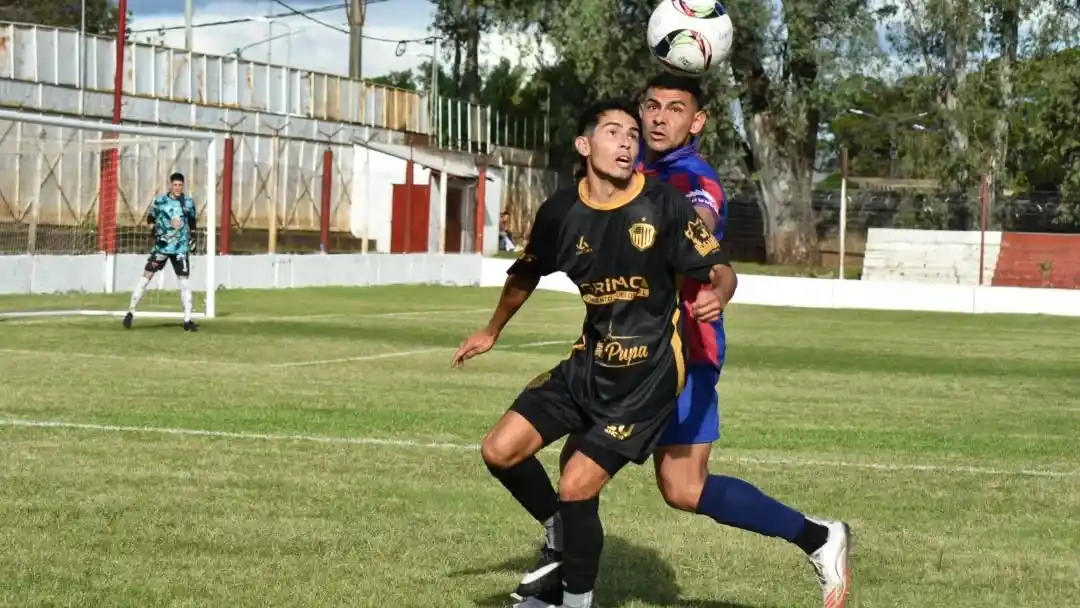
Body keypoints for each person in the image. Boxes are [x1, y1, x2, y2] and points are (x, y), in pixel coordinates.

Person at [511, 74, 852, 608]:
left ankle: (819, 536)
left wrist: (711, 273)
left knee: (682, 488)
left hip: (685, 354)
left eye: (675, 109)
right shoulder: (629, 164)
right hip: (616, 359)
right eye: (651, 106)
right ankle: (567, 585)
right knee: (579, 472)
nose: (658, 118)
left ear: (697, 123)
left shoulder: (693, 180)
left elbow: (702, 220)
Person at [452, 98, 736, 608]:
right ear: (585, 146)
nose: (628, 141)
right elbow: (526, 273)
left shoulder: (664, 204)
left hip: (647, 378)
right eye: (613, 132)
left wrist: (722, 292)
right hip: (589, 365)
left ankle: (576, 601)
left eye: (633, 134)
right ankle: (562, 536)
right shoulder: (562, 211)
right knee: (500, 450)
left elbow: (719, 266)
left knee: (577, 482)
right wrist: (492, 329)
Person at [123, 172, 199, 332]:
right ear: (170, 185)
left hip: (180, 248)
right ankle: (130, 311)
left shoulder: (189, 203)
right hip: (162, 247)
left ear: (183, 185)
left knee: (184, 282)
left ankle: (187, 320)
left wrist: (191, 238)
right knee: (146, 277)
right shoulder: (160, 201)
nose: (177, 188)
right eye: (175, 185)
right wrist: (156, 230)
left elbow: (192, 223)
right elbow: (150, 219)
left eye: (180, 185)